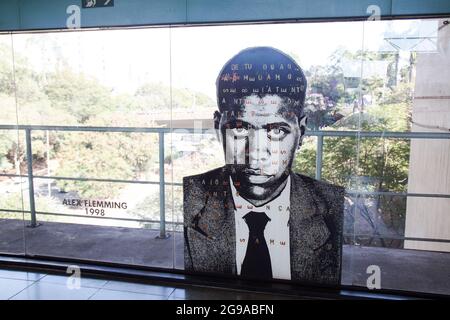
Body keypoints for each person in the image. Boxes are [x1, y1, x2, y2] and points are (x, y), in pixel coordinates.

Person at [183, 47, 345, 285]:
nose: (256, 153)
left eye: (277, 131)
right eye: (239, 128)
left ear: (301, 134)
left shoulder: (331, 205)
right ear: (218, 127)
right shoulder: (191, 198)